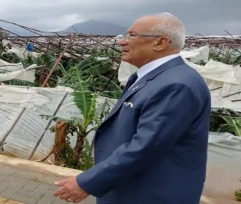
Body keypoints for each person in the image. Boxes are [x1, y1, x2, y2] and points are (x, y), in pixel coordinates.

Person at [53, 12, 211, 204]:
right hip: (132, 188)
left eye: (132, 35)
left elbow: (145, 147)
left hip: (150, 194)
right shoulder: (153, 77)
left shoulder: (176, 85)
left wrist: (87, 182)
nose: (122, 42)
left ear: (160, 43)